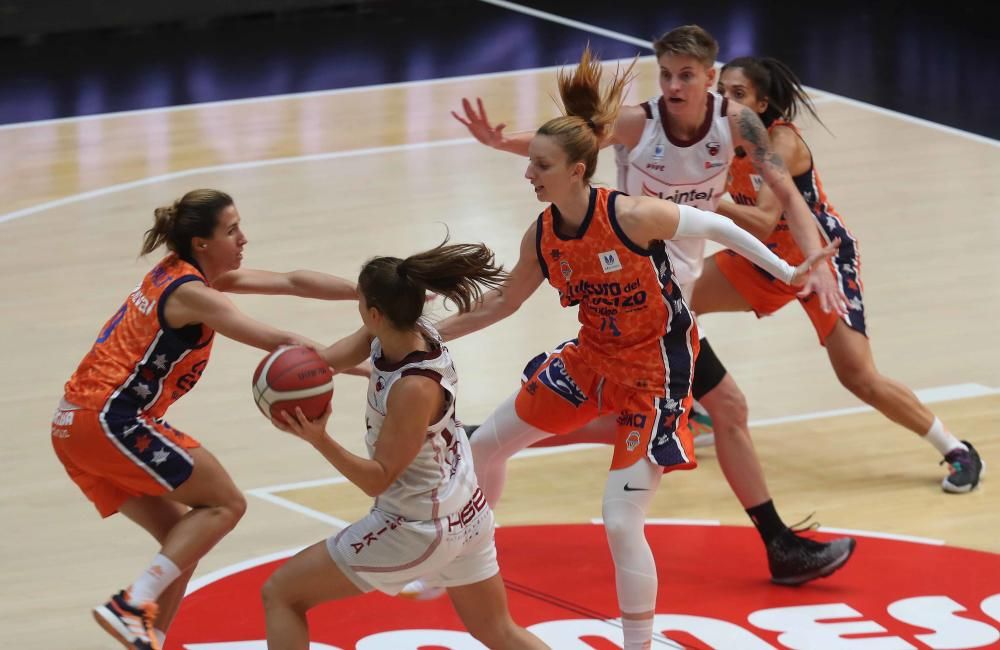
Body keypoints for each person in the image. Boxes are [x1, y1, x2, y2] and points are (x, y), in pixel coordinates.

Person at [429, 46, 843, 650]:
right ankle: (468, 556)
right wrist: (428, 337)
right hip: (590, 359)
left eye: (537, 164)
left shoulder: (634, 214)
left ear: (575, 170)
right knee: (483, 446)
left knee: (621, 521)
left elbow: (726, 227)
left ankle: (639, 644)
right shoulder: (542, 231)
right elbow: (499, 304)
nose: (528, 174)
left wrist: (789, 268)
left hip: (656, 371)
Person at [52, 189, 359, 650]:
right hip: (110, 419)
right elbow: (286, 343)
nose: (243, 238)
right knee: (225, 504)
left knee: (185, 540)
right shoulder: (195, 295)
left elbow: (294, 281)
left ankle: (148, 634)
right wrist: (374, 364)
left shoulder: (180, 273)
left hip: (73, 425)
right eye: (231, 230)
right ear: (201, 242)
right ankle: (132, 604)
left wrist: (367, 291)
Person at [697, 55, 984, 492]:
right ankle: (695, 405)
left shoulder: (781, 144)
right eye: (721, 92)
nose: (725, 102)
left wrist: (703, 197)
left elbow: (761, 217)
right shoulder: (711, 138)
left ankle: (956, 449)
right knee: (670, 299)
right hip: (764, 261)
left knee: (858, 376)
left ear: (762, 102)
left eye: (738, 95)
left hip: (820, 261)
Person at [261, 239, 548, 650]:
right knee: (497, 630)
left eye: (361, 305)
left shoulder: (413, 389)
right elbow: (331, 360)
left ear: (375, 313)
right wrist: (300, 376)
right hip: (466, 509)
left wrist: (319, 438)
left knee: (282, 595)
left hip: (418, 527)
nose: (359, 313)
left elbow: (377, 479)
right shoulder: (405, 330)